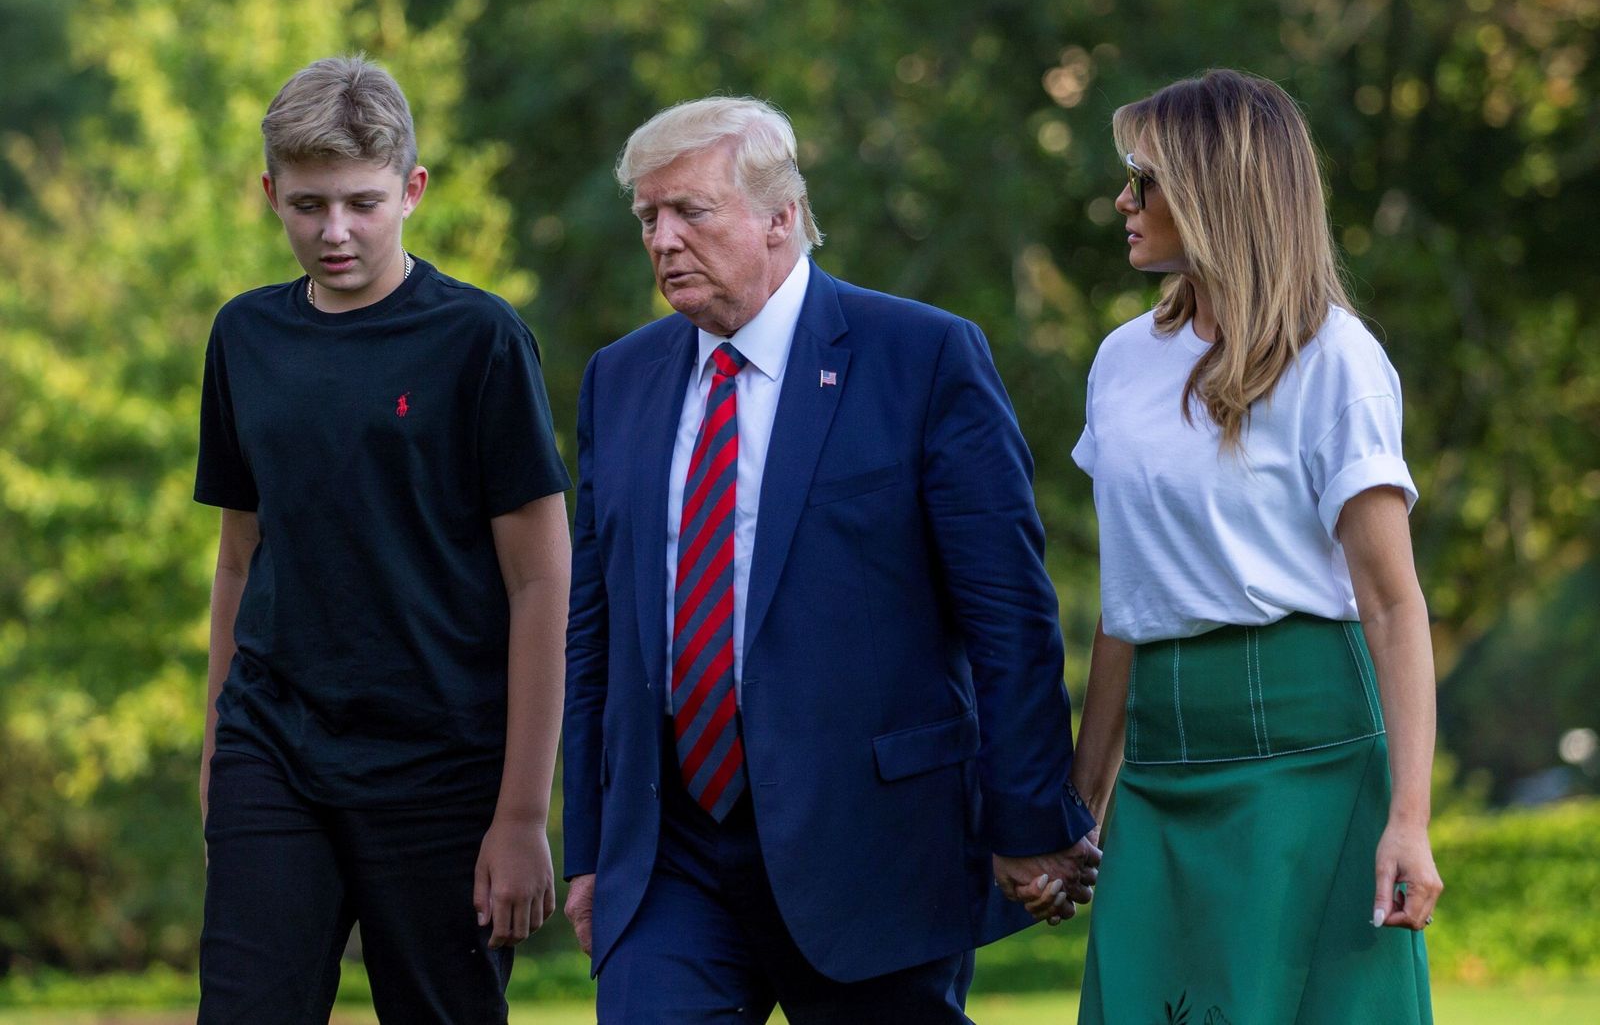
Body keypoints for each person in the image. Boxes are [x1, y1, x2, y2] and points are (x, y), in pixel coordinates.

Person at [561, 95, 1101, 1023]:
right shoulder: (621, 379)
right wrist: (587, 847)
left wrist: (1030, 822)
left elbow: (1008, 614)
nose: (663, 239)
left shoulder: (923, 357)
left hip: (874, 849)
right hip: (671, 859)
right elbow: (595, 634)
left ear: (781, 217)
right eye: (648, 216)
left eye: (690, 210)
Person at [193, 55, 571, 1024]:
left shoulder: (480, 340)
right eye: (308, 204)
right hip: (274, 746)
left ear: (412, 190)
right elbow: (240, 558)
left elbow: (540, 582)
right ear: (270, 193)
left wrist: (523, 813)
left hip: (442, 762)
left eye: (361, 203)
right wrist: (215, 756)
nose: (334, 232)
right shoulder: (245, 337)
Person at [1067, 69, 1442, 1023]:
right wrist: (1081, 802)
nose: (1123, 200)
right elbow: (1127, 599)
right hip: (1159, 760)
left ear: (1212, 188)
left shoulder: (1335, 358)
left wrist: (1410, 817)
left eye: (1142, 180)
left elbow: (1394, 605)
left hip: (1311, 761)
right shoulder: (1120, 362)